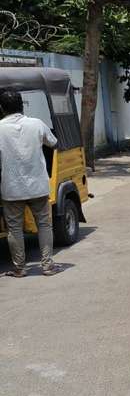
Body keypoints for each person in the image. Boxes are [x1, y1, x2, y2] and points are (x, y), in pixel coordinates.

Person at [0, 87, 60, 277]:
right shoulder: (37, 124)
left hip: (11, 189)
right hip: (38, 187)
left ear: (2, 108)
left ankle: (20, 268)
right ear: (22, 106)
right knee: (44, 225)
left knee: (14, 229)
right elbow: (54, 143)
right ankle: (47, 266)